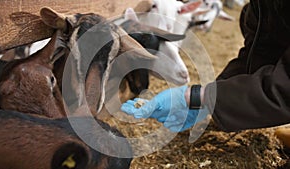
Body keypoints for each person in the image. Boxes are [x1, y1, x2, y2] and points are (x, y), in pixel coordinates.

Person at [121, 0, 290, 132]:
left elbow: (285, 86)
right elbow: (258, 59)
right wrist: (209, 99)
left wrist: (197, 96)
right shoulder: (261, 9)